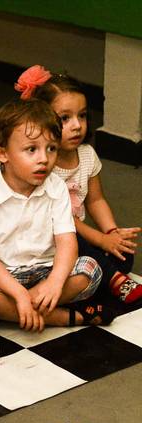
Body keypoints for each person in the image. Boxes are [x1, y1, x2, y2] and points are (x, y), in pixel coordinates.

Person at [0, 99, 108, 331]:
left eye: (51, 148)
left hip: (45, 269)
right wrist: (19, 294)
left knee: (90, 270)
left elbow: (67, 243)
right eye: (32, 149)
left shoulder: (57, 187)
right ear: (2, 154)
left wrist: (54, 282)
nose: (44, 158)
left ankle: (12, 313)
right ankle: (62, 316)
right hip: (3, 276)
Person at [15, 65, 141, 305]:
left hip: (78, 239)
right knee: (76, 240)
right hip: (48, 238)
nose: (76, 125)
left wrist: (112, 234)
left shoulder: (87, 155)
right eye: (65, 118)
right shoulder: (43, 164)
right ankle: (110, 279)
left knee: (123, 255)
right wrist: (100, 240)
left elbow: (96, 200)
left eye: (81, 116)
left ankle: (91, 278)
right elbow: (62, 221)